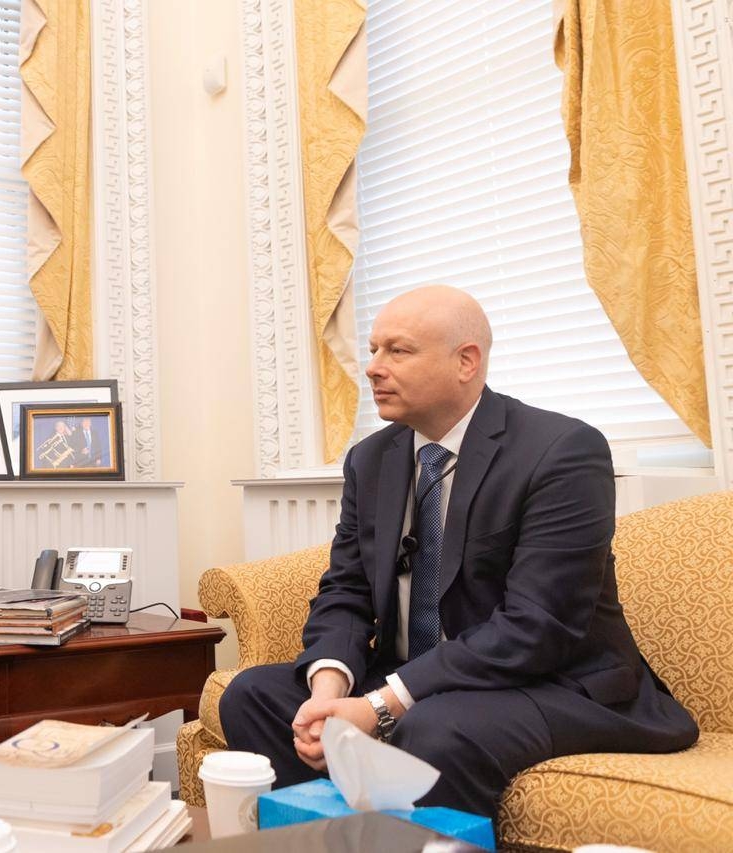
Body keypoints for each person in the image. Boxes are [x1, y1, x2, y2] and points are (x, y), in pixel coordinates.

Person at [218, 285, 698, 819]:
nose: (373, 368)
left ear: (466, 361)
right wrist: (328, 693)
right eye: (373, 349)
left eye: (396, 351)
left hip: (549, 681)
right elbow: (346, 590)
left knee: (434, 727)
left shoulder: (560, 451)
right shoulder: (371, 459)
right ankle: (333, 835)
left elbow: (536, 626)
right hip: (420, 677)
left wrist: (379, 705)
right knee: (252, 694)